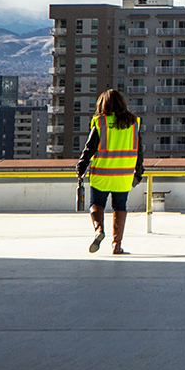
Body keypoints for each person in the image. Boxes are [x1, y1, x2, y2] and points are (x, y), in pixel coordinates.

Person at [77, 89, 142, 255]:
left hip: (102, 173)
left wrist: (81, 166)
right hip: (124, 175)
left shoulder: (101, 122)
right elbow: (139, 150)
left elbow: (89, 148)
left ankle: (99, 230)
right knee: (120, 207)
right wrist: (139, 172)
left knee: (96, 204)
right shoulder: (133, 123)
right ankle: (116, 246)